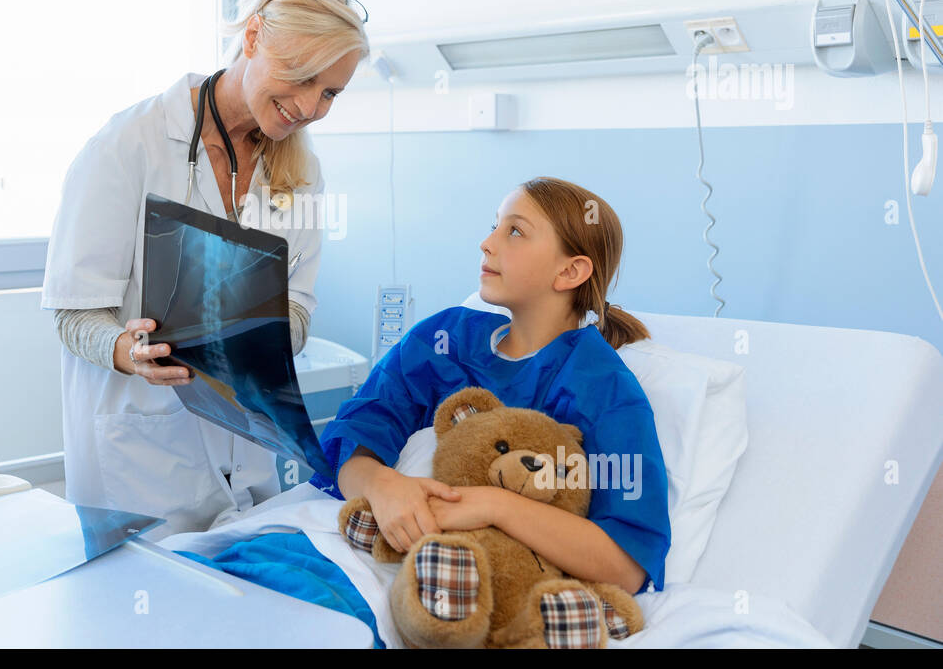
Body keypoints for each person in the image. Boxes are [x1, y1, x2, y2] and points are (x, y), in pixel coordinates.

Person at [175, 177, 672, 645]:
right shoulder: (445, 339)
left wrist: (492, 504)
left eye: (515, 231)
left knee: (300, 620)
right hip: (342, 540)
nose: (488, 242)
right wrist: (382, 486)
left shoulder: (602, 386)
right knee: (220, 588)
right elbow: (354, 438)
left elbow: (625, 564)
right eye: (493, 224)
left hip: (440, 583)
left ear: (570, 271)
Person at [40, 0, 367, 537]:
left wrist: (255, 342)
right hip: (142, 460)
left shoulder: (301, 171)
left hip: (247, 455)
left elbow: (299, 309)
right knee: (143, 615)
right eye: (305, 77)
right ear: (255, 36)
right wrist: (128, 350)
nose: (312, 107)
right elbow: (73, 315)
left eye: (331, 92)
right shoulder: (128, 146)